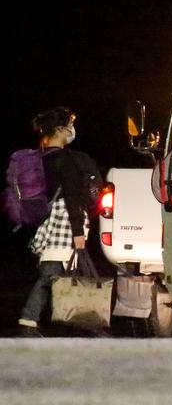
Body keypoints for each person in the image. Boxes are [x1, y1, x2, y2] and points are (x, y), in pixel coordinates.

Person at [18, 107, 90, 337]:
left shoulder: (39, 158)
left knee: (59, 270)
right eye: (69, 124)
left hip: (45, 219)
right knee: (51, 273)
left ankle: (75, 318)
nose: (72, 129)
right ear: (60, 129)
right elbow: (72, 196)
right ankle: (29, 320)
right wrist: (78, 230)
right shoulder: (65, 159)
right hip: (63, 220)